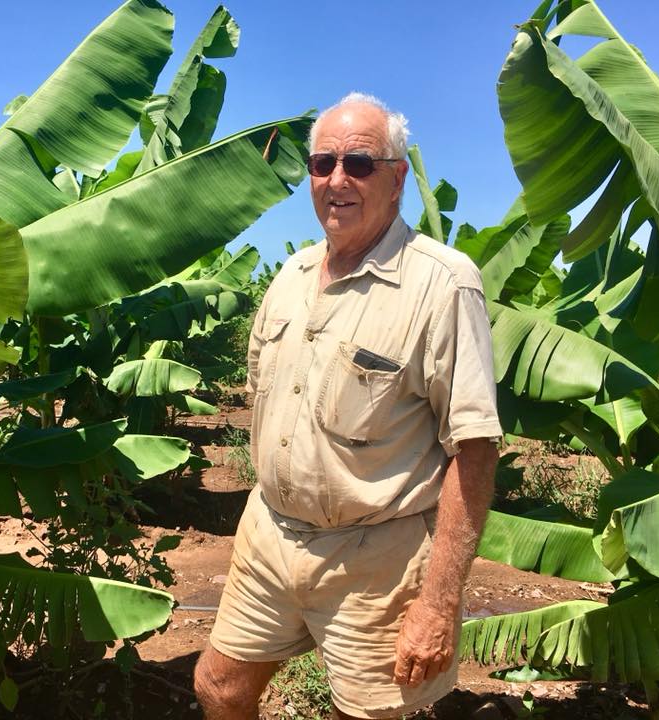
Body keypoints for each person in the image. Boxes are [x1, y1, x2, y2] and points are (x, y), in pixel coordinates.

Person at [193, 92, 502, 720]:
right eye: (322, 162)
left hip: (376, 560)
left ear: (397, 178)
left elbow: (473, 451)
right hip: (270, 535)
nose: (337, 179)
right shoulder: (291, 276)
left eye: (358, 164)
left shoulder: (443, 283)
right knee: (218, 687)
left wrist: (439, 603)